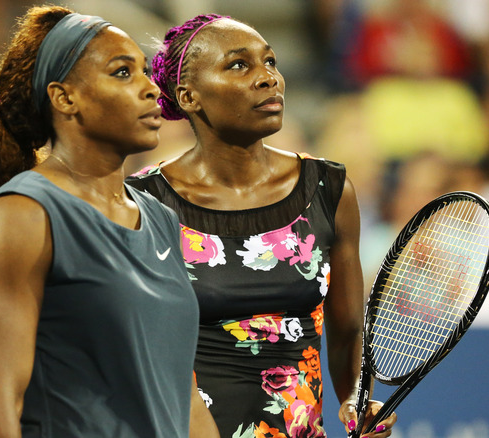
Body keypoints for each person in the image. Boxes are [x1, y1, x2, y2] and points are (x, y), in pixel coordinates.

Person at [0, 6, 216, 438]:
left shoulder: (161, 219)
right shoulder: (22, 215)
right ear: (65, 98)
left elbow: (185, 398)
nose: (150, 88)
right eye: (122, 72)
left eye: (145, 71)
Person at [127, 14, 397, 438]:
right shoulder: (143, 202)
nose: (268, 78)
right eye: (239, 65)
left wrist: (355, 399)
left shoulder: (329, 190)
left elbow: (346, 333)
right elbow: (138, 351)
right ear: (189, 96)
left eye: (270, 62)